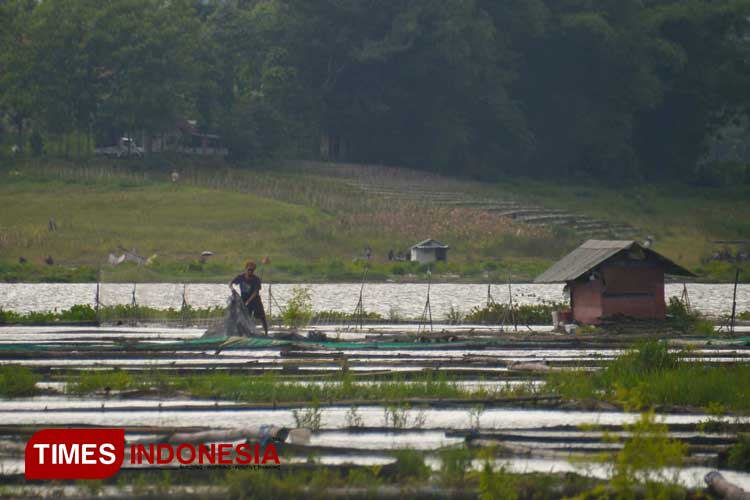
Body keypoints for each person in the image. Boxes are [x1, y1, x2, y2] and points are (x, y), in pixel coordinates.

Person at [229, 260, 268, 335]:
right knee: (245, 317)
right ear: (246, 269)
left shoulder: (256, 279)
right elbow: (230, 283)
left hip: (255, 300)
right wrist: (232, 289)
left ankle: (266, 333)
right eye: (249, 269)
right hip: (244, 298)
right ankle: (243, 333)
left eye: (252, 270)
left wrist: (248, 302)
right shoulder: (241, 277)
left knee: (262, 316)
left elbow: (255, 292)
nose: (250, 271)